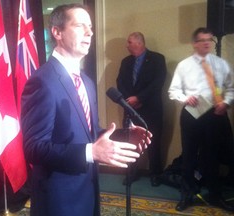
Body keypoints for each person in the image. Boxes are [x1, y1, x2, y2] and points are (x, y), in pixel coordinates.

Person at [20, 4, 152, 216]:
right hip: (59, 200)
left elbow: (89, 134)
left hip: (88, 189)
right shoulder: (42, 81)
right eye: (80, 25)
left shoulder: (87, 82)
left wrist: (124, 136)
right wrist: (91, 152)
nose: (90, 33)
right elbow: (34, 147)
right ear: (57, 32)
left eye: (90, 27)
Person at [168, 27, 234, 212]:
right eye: (202, 40)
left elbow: (230, 88)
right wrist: (184, 98)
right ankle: (187, 196)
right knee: (189, 157)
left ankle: (215, 195)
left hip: (214, 114)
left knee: (212, 157)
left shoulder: (221, 64)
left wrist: (226, 102)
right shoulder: (184, 65)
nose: (207, 43)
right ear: (195, 43)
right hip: (191, 114)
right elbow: (173, 91)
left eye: (209, 40)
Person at [116, 32, 167, 186]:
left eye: (129, 42)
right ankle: (132, 172)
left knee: (154, 141)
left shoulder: (157, 59)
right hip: (131, 108)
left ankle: (155, 174)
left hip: (152, 107)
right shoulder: (125, 62)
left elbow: (158, 82)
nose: (127, 45)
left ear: (139, 43)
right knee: (131, 141)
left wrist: (139, 98)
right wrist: (129, 100)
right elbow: (120, 82)